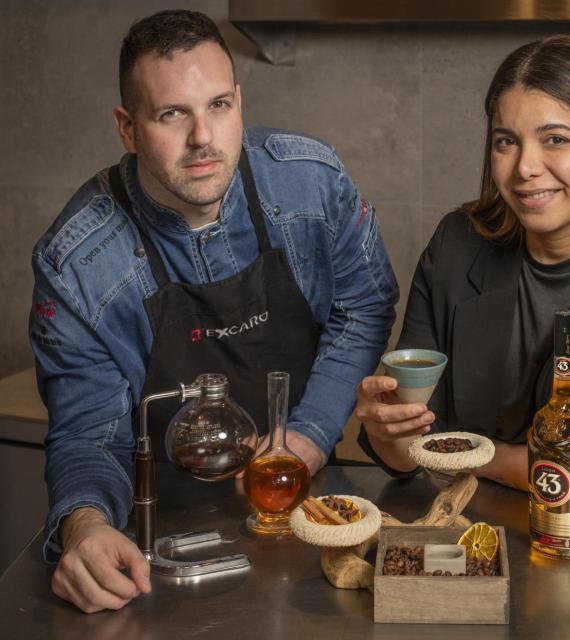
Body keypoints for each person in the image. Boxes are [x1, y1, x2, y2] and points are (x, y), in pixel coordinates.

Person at [29, 10, 398, 613]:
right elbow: (88, 432)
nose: (203, 136)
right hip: (165, 544)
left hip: (305, 511)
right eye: (172, 113)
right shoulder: (77, 264)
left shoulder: (309, 181)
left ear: (240, 102)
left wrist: (306, 434)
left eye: (220, 105)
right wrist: (84, 527)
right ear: (127, 127)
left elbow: (363, 304)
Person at [356, 36, 570, 509]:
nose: (525, 168)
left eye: (555, 139)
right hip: (468, 530)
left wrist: (477, 455)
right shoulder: (457, 245)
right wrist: (385, 429)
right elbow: (413, 449)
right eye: (506, 142)